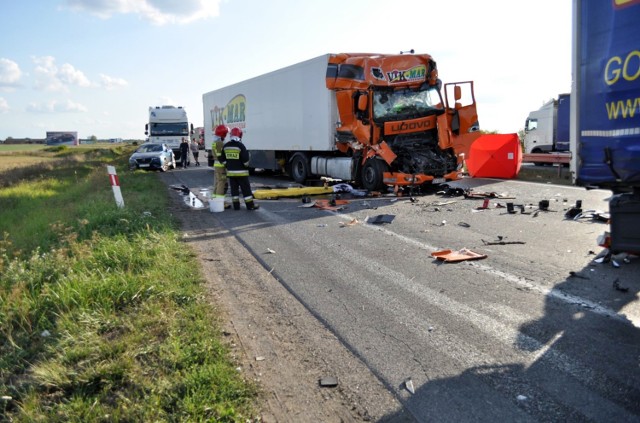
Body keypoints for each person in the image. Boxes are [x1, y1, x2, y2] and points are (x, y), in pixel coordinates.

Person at [220, 127, 259, 210]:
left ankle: (236, 206)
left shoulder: (226, 146)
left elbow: (221, 159)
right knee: (246, 190)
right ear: (240, 135)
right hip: (242, 173)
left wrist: (228, 165)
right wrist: (246, 165)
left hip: (231, 173)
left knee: (234, 190)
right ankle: (250, 206)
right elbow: (245, 160)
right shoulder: (241, 146)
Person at [212, 125, 229, 206]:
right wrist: (226, 164)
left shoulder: (215, 142)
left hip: (217, 165)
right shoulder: (219, 143)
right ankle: (220, 202)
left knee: (218, 183)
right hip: (220, 166)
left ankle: (215, 200)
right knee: (221, 183)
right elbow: (220, 156)